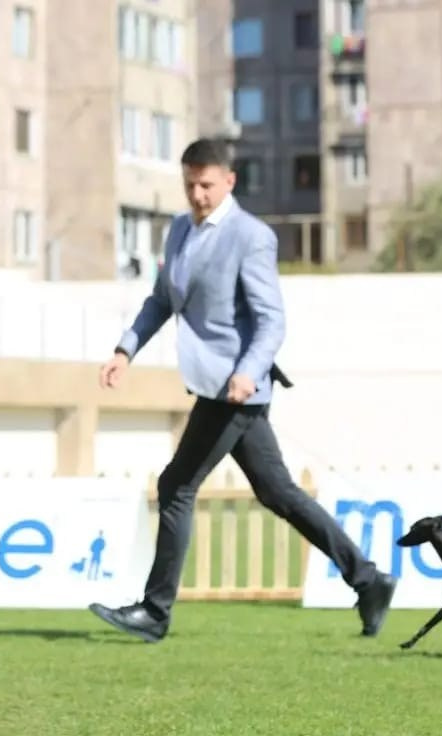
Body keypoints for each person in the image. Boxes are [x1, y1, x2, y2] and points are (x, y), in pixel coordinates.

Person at [88, 138, 397, 643]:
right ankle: (368, 579)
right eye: (190, 185)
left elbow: (271, 320)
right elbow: (161, 300)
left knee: (176, 486)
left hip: (236, 390)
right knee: (277, 492)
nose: (197, 194)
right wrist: (126, 350)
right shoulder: (179, 230)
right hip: (214, 386)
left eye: (206, 185)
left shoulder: (251, 237)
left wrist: (249, 370)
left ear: (229, 181)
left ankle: (155, 611)